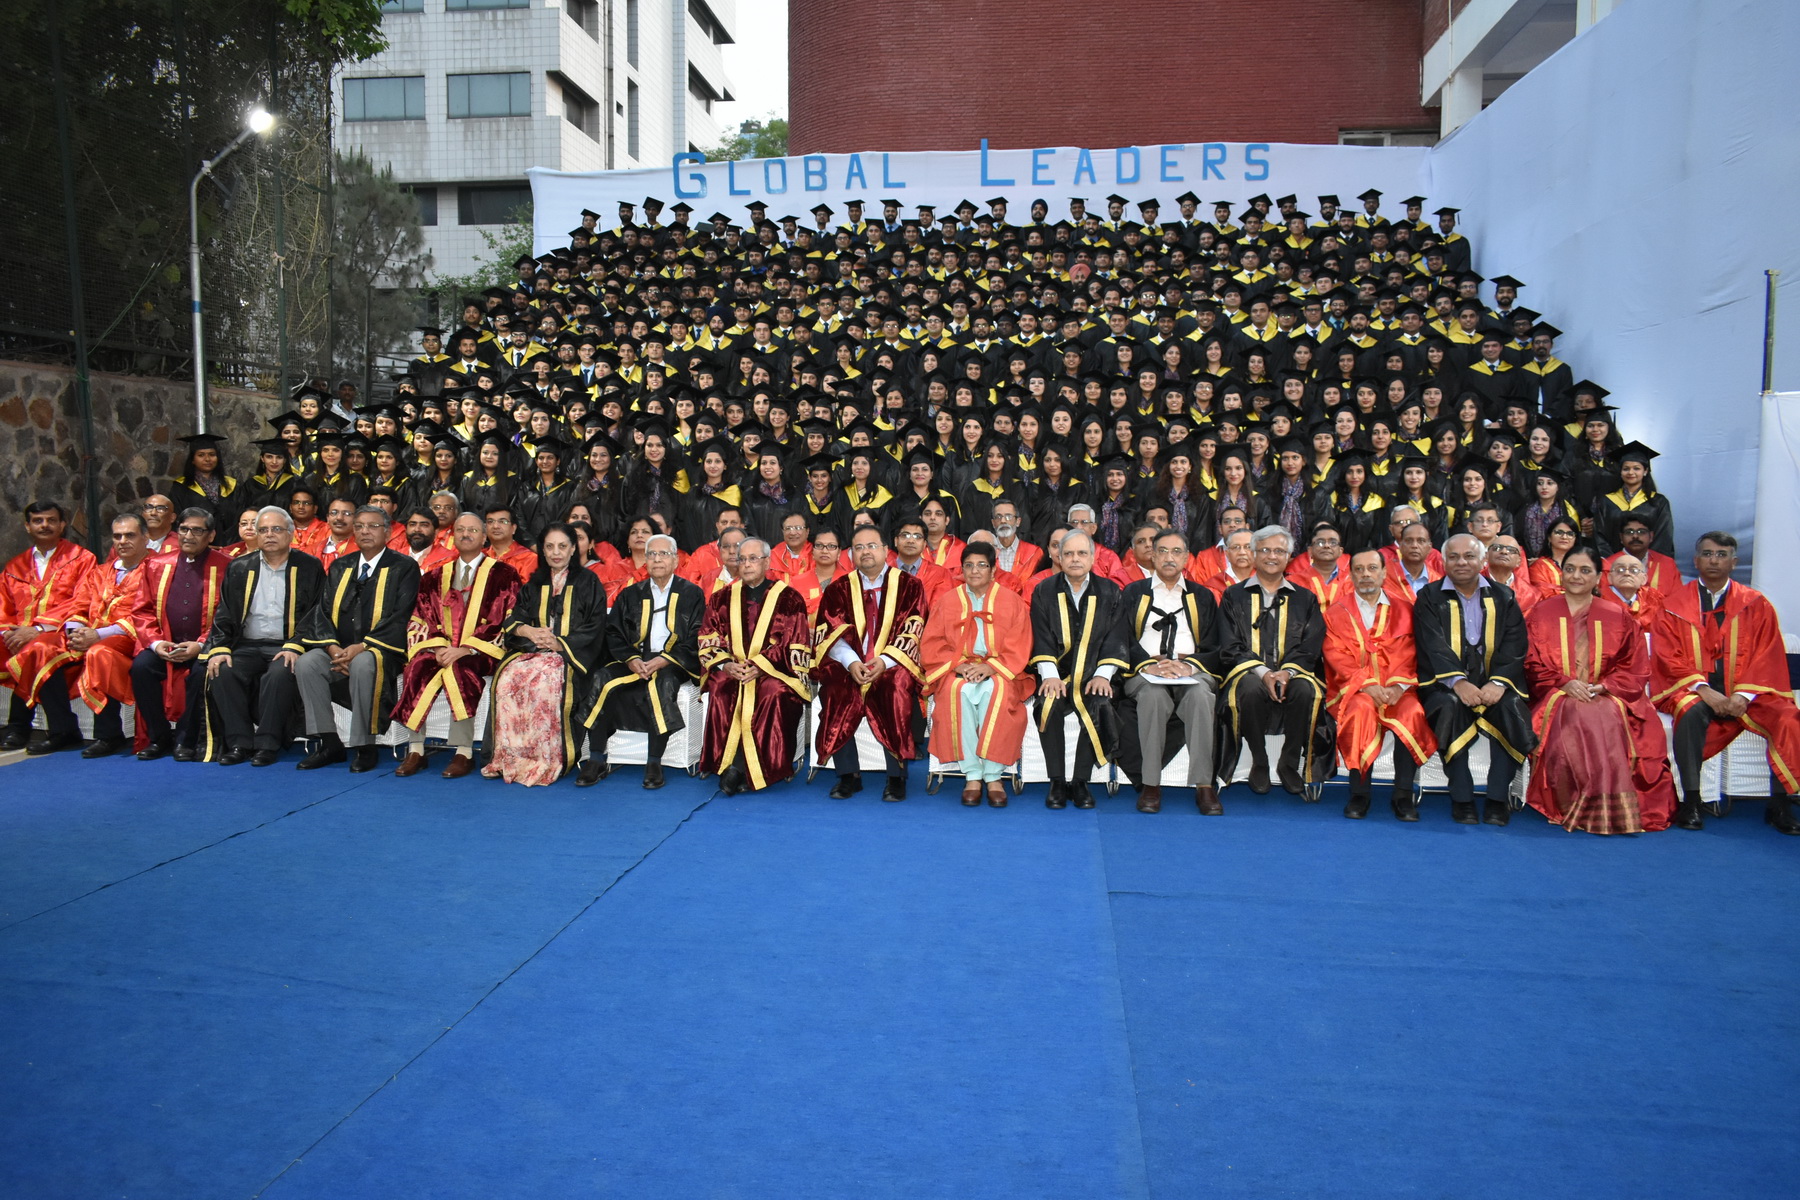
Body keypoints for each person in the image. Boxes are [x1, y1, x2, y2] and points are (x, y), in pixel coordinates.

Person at [1652, 532, 1800, 834]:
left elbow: (1767, 655)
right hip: (1696, 689)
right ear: (1696, 561)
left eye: (1721, 554)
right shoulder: (1672, 605)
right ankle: (1691, 801)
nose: (1713, 560)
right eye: (1707, 554)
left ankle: (1780, 803)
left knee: (1787, 717)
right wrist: (1705, 691)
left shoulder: (1756, 605)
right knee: (1689, 713)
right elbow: (1668, 657)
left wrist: (1743, 695)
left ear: (1734, 562)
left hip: (1750, 691)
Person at [1524, 547, 1676, 834]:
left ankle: (1604, 805)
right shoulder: (1541, 613)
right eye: (1570, 569)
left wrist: (1604, 687)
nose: (1576, 576)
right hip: (1555, 695)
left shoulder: (1616, 615)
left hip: (1609, 695)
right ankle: (1578, 803)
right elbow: (1530, 663)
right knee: (1577, 712)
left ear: (1597, 578)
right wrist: (1565, 684)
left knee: (1600, 712)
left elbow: (1634, 667)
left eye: (1585, 570)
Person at [1413, 534, 1537, 825]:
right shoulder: (1429, 597)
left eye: (1469, 556)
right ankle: (1462, 797)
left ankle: (1496, 798)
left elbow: (1515, 644)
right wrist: (1458, 682)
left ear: (1483, 561)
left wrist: (1498, 683)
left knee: (1510, 709)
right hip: (1446, 684)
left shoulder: (1504, 597)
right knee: (1449, 708)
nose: (1461, 562)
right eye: (1453, 557)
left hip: (1496, 682)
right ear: (1443, 562)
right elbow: (1432, 645)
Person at [289, 505, 421, 772]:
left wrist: (361, 647)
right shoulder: (341, 566)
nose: (365, 532)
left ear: (387, 532)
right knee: (307, 664)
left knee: (364, 663)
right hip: (337, 651)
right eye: (359, 526)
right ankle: (329, 743)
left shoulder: (403, 567)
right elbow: (322, 611)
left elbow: (402, 615)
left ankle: (365, 745)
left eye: (373, 526)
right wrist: (333, 648)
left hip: (382, 650)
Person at [393, 513, 523, 779]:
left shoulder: (504, 575)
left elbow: (507, 620)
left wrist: (465, 649)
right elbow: (421, 617)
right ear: (453, 536)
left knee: (460, 672)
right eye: (460, 529)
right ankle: (415, 749)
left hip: (480, 652)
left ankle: (463, 752)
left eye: (473, 530)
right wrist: (438, 647)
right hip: (439, 649)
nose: (466, 534)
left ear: (484, 536)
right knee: (417, 667)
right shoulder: (434, 576)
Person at [200, 506, 328, 765]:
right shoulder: (239, 567)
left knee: (281, 672)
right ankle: (239, 743)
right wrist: (221, 647)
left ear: (291, 534)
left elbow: (317, 612)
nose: (269, 535)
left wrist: (296, 645)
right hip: (246, 644)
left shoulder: (309, 567)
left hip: (287, 643)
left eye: (277, 529)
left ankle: (268, 744)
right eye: (263, 530)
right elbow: (224, 612)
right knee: (223, 670)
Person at [483, 523, 609, 785]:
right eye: (550, 546)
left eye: (563, 546)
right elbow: (514, 618)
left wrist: (560, 643)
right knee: (508, 679)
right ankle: (511, 757)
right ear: (542, 549)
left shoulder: (589, 581)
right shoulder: (535, 581)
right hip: (533, 651)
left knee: (546, 682)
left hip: (570, 655)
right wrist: (529, 632)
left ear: (574, 549)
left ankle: (547, 758)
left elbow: (595, 626)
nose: (556, 552)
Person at [577, 533, 704, 789]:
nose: (657, 559)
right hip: (633, 660)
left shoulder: (692, 594)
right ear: (645, 560)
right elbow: (614, 632)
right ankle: (597, 757)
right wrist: (631, 659)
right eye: (652, 554)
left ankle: (654, 761)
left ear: (675, 560)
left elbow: (696, 636)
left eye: (663, 554)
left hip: (672, 663)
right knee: (601, 678)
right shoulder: (631, 594)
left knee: (662, 686)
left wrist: (663, 660)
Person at [812, 525, 929, 801]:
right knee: (836, 689)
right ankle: (848, 775)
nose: (866, 552)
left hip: (893, 663)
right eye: (859, 547)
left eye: (872, 546)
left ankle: (896, 776)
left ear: (886, 550)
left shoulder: (910, 586)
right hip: (850, 664)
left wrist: (885, 662)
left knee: (895, 688)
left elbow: (913, 630)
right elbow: (829, 632)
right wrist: (852, 663)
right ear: (851, 553)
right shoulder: (839, 587)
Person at [1113, 528, 1224, 814]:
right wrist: (1151, 664)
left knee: (1201, 696)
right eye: (1162, 551)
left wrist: (1187, 665)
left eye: (1176, 552)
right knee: (1154, 696)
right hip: (1146, 670)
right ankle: (1151, 784)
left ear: (1187, 557)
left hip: (1192, 669)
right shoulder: (1134, 593)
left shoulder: (1202, 596)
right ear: (1152, 555)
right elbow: (1121, 637)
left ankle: (1204, 785)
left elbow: (1215, 644)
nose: (1169, 558)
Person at [1323, 549, 1437, 820]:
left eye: (1372, 568)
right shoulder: (1336, 612)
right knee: (1359, 712)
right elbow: (1335, 655)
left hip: (1399, 687)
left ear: (1384, 573)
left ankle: (1403, 795)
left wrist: (1398, 686)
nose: (1365, 575)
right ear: (1350, 575)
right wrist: (1367, 685)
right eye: (1359, 569)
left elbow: (1410, 651)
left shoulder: (1405, 609)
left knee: (1411, 713)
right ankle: (1359, 794)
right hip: (1355, 689)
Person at [919, 541, 1034, 807]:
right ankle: (972, 774)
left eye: (982, 565)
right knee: (956, 692)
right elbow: (932, 643)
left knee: (996, 693)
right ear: (962, 570)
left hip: (1000, 669)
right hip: (957, 667)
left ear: (994, 569)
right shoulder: (948, 601)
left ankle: (993, 776)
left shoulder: (1012, 601)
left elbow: (1020, 644)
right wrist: (957, 665)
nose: (975, 571)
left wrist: (990, 667)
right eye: (969, 565)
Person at [696, 537, 814, 794]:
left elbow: (795, 643)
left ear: (767, 561)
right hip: (733, 670)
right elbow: (708, 637)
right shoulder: (721, 598)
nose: (747, 564)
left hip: (777, 672)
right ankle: (729, 765)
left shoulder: (789, 598)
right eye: (742, 559)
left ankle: (748, 769)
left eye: (753, 559)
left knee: (772, 693)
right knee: (722, 687)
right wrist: (726, 665)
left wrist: (760, 666)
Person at [1218, 526, 1327, 795]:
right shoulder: (1234, 595)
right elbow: (1229, 645)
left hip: (1293, 674)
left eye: (1279, 550)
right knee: (1251, 689)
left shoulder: (1305, 598)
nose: (1271, 556)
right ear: (1254, 555)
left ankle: (1289, 763)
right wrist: (1264, 673)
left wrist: (1286, 673)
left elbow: (1311, 644)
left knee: (1305, 690)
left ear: (1289, 556)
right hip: (1250, 674)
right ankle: (1260, 760)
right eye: (1264, 550)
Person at [1030, 530, 1127, 808]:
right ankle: (1057, 781)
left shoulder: (1110, 592)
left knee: (1100, 702)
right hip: (1057, 673)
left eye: (1082, 553)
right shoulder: (1044, 590)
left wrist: (1103, 674)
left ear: (1093, 558)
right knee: (1049, 703)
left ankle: (1081, 781)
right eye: (1068, 553)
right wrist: (1049, 676)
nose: (1075, 559)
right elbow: (1041, 635)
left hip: (1095, 673)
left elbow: (1116, 638)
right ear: (1058, 557)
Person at [0, 502, 99, 754]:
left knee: (38, 649)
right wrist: (9, 632)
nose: (45, 525)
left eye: (51, 520)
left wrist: (38, 629)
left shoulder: (81, 558)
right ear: (27, 526)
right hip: (19, 634)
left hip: (61, 633)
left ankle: (49, 728)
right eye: (38, 520)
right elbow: (4, 605)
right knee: (25, 647)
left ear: (62, 525)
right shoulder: (14, 567)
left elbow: (82, 600)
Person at [131, 508, 230, 761]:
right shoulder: (156, 564)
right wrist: (156, 643)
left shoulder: (227, 566)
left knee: (201, 672)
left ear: (211, 535)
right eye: (184, 529)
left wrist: (200, 645)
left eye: (197, 530)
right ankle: (159, 737)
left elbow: (228, 615)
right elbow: (141, 611)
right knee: (141, 668)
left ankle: (186, 740)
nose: (189, 535)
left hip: (204, 646)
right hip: (166, 643)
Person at [59, 512, 157, 758]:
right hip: (91, 634)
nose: (123, 541)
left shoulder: (157, 568)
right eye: (117, 536)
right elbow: (78, 606)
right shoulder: (100, 572)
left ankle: (108, 734)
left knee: (100, 653)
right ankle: (61, 731)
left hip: (135, 638)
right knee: (46, 652)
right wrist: (76, 633)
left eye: (130, 535)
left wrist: (97, 635)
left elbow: (149, 614)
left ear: (146, 537)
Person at [1603, 514, 1681, 593]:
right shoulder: (1608, 566)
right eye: (1629, 532)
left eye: (1641, 532)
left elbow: (1677, 598)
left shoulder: (1667, 563)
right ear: (1621, 537)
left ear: (1651, 536)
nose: (1635, 536)